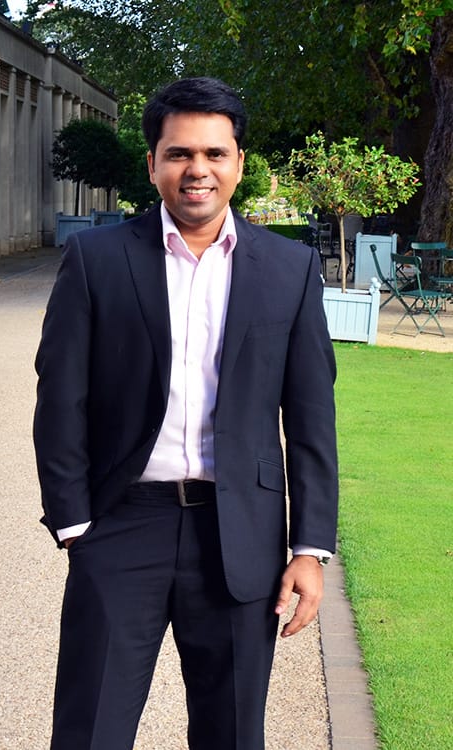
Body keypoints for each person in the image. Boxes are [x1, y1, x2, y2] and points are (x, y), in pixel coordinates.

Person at [33, 76, 338, 750]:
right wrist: (75, 524)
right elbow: (60, 399)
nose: (197, 169)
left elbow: (312, 418)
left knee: (232, 734)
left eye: (214, 153)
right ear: (153, 164)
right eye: (179, 154)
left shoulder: (289, 269)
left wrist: (309, 547)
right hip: (120, 526)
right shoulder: (96, 260)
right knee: (90, 731)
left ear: (239, 163)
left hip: (240, 538)